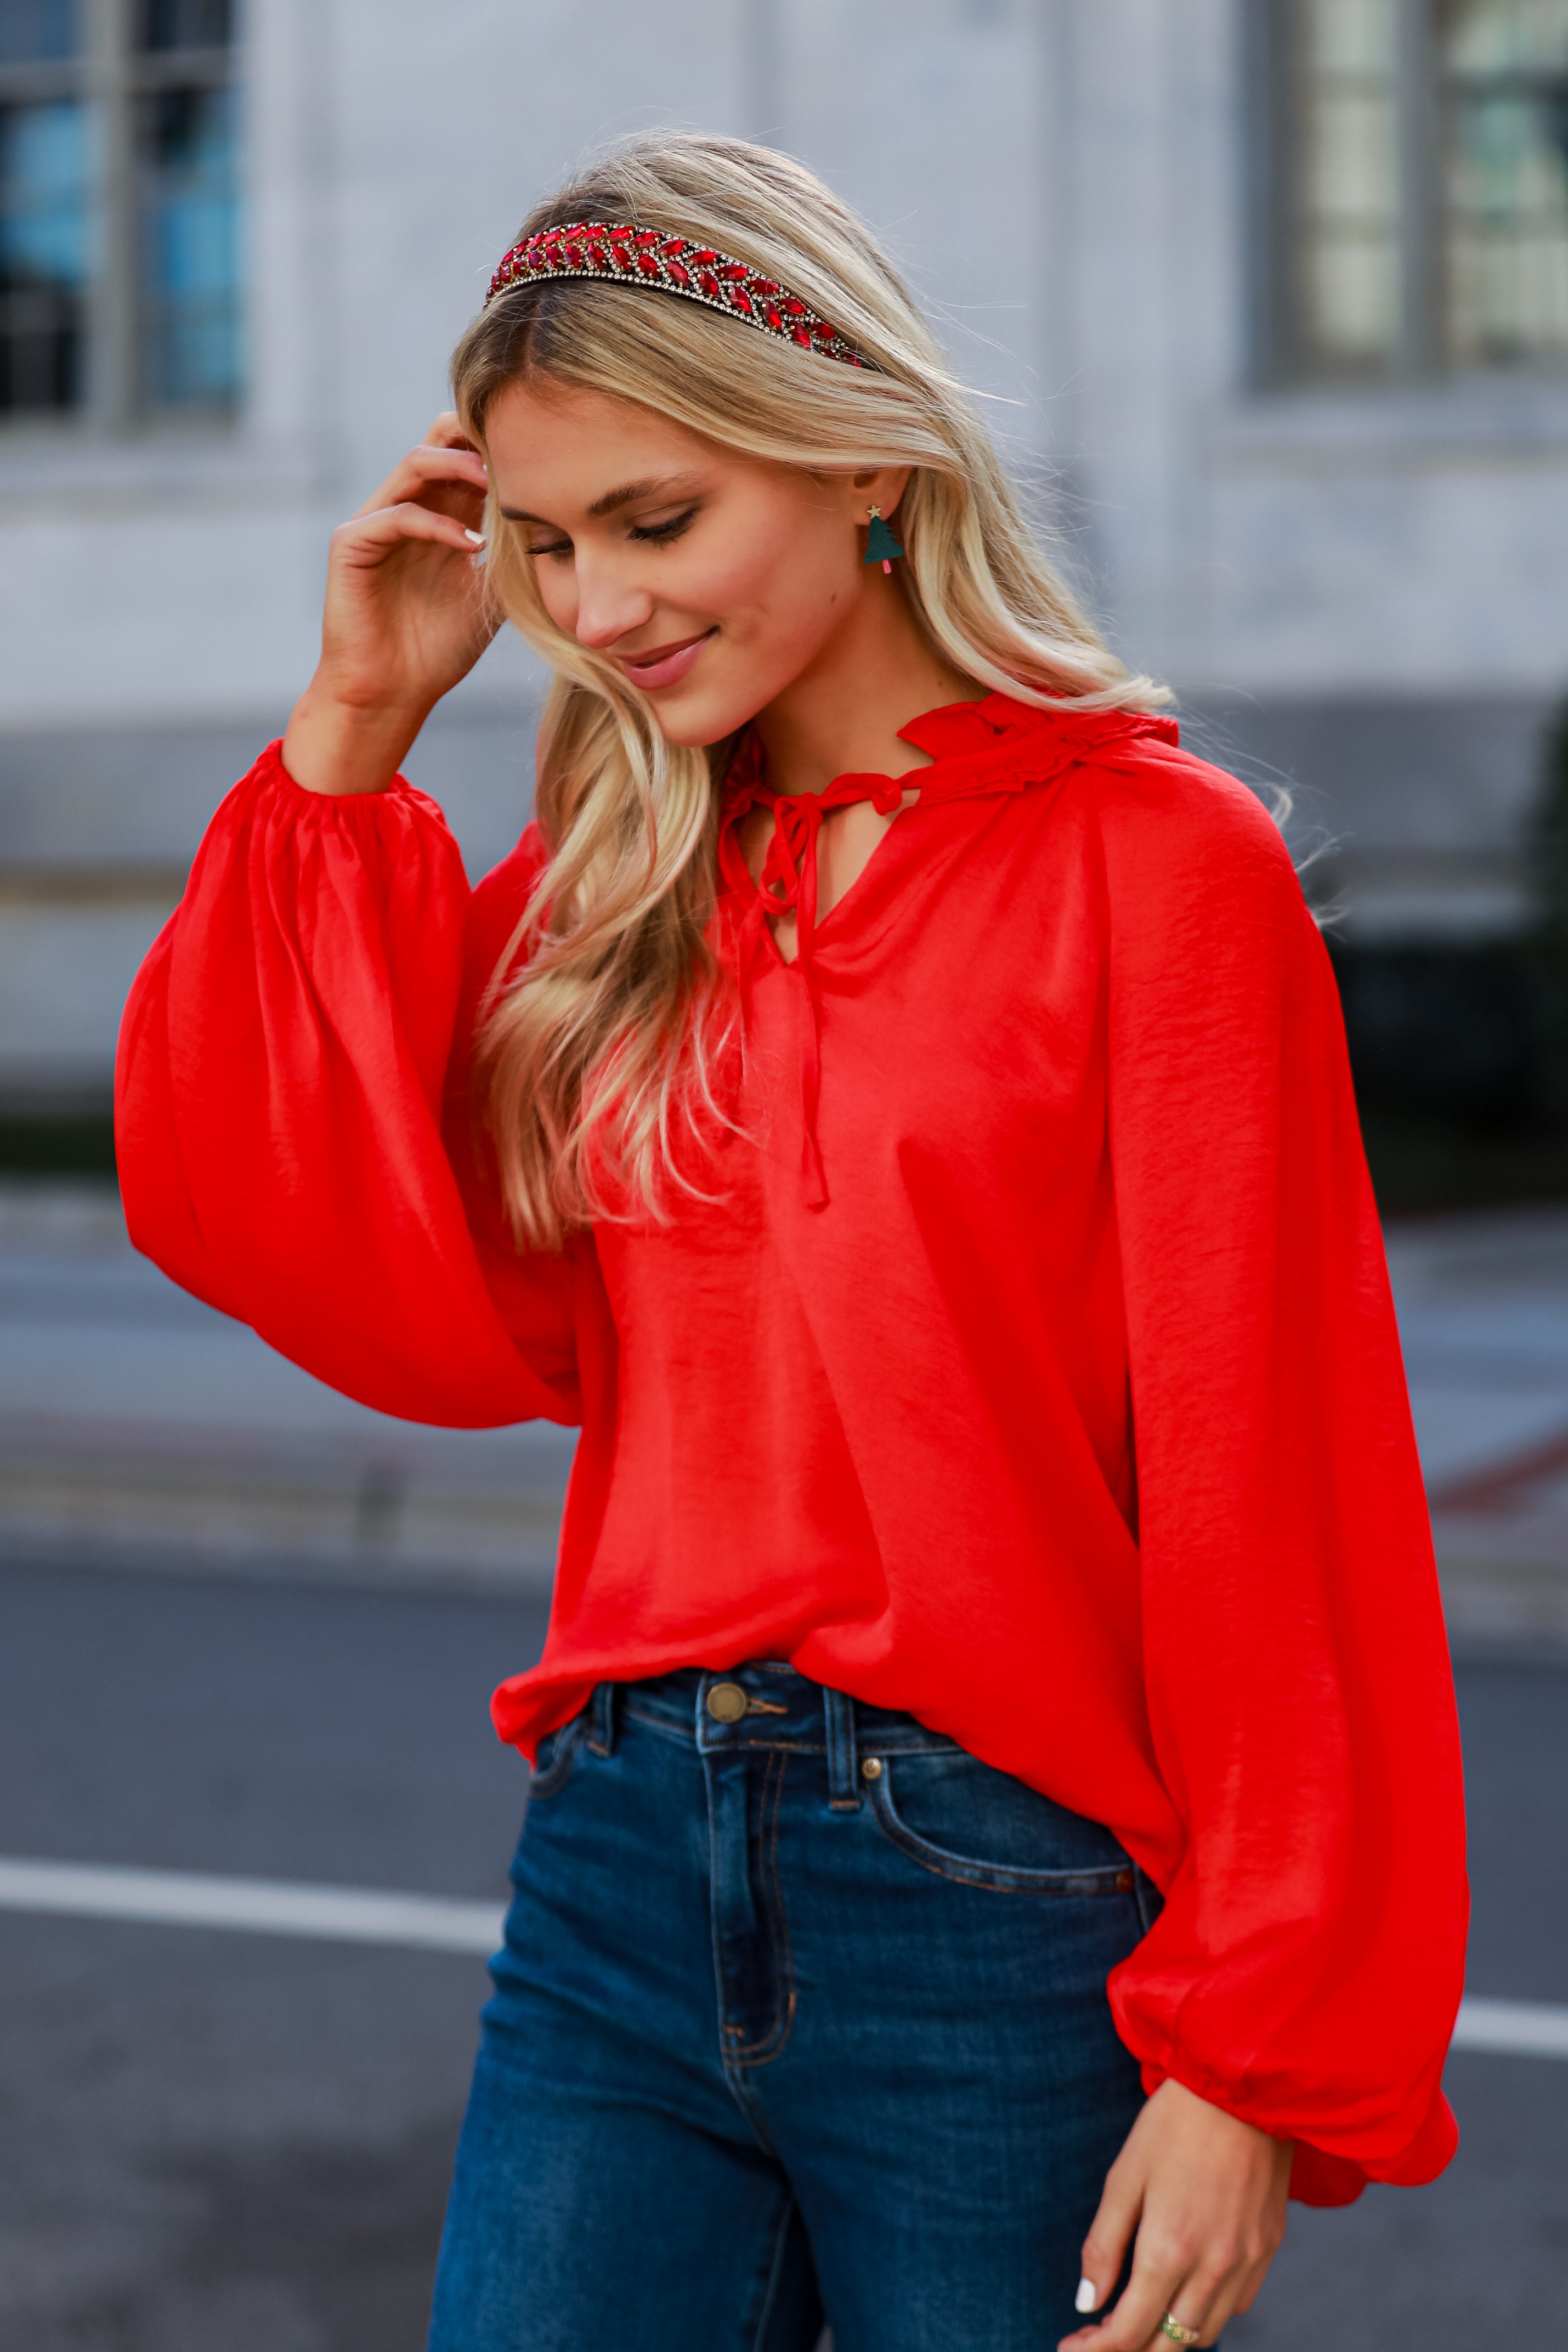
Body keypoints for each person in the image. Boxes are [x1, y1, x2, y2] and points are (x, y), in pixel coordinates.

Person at [115, 133, 1468, 2352]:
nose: (596, 608)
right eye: (547, 543)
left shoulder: (1157, 866)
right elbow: (271, 1200)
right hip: (617, 1864)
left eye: (655, 521)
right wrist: (356, 727)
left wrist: (1245, 2051)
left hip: (998, 1897)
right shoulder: (615, 881)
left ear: (861, 459)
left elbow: (1272, 1485)